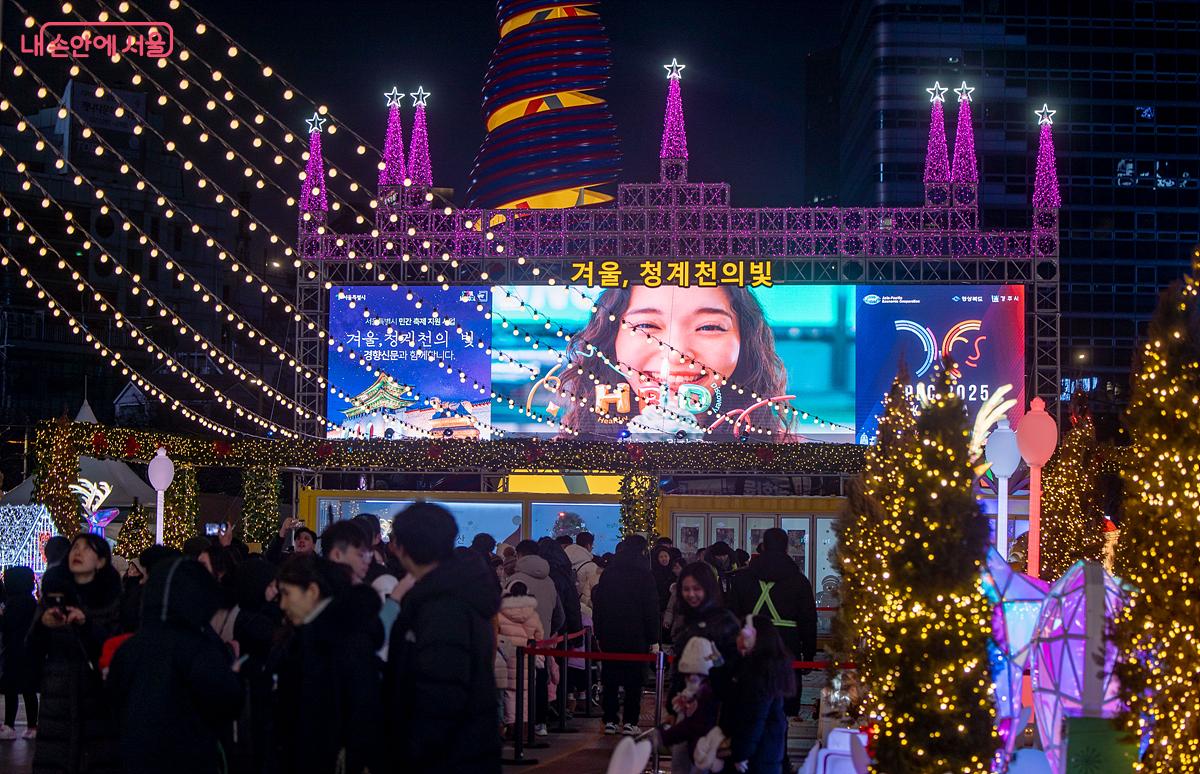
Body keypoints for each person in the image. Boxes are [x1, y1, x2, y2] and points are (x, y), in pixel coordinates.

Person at [557, 285, 794, 441]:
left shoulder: (784, 451)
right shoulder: (566, 451)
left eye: (709, 327)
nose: (676, 353)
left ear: (745, 341)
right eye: (646, 327)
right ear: (611, 338)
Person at [385, 502, 502, 773]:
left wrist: (411, 753)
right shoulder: (463, 590)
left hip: (444, 757)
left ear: (402, 547)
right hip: (470, 750)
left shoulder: (441, 606)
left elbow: (441, 692)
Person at [107, 557, 243, 774]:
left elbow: (113, 702)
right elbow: (226, 700)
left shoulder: (130, 648)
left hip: (134, 758)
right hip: (189, 758)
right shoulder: (199, 648)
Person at [271, 554, 383, 774]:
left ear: (312, 591)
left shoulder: (335, 641)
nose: (282, 604)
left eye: (287, 594)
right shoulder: (314, 635)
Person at [28, 533, 123, 773]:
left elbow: (115, 647)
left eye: (87, 549)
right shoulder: (54, 596)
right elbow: (31, 649)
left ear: (101, 561)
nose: (78, 552)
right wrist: (43, 625)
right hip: (58, 701)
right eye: (75, 547)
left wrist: (86, 624)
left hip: (98, 700)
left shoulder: (113, 600)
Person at [727, 527, 817, 717]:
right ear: (786, 548)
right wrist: (809, 654)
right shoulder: (799, 581)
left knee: (751, 703)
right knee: (783, 706)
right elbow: (808, 619)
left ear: (763, 547)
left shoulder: (742, 578)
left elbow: (732, 616)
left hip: (751, 643)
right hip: (787, 645)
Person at [591, 534, 659, 736]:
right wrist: (653, 638)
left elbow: (599, 605)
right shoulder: (644, 574)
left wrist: (599, 631)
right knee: (634, 681)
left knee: (610, 678)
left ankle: (610, 719)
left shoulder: (609, 572)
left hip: (611, 633)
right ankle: (630, 721)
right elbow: (651, 608)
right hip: (637, 635)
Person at [725, 616, 797, 774]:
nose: (737, 639)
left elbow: (753, 718)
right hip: (768, 751)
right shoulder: (769, 666)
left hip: (757, 755)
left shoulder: (756, 673)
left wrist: (741, 754)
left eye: (740, 635)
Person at [494, 581, 544, 736]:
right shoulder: (533, 614)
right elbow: (539, 637)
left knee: (509, 694)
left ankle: (511, 727)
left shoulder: (500, 612)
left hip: (508, 660)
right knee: (526, 693)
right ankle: (525, 727)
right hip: (527, 660)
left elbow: (496, 635)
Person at [1, 566, 39, 740]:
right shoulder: (30, 601)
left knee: (11, 690)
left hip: (13, 651)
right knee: (28, 690)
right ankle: (32, 725)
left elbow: (7, 625)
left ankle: (9, 725)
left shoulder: (14, 603)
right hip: (29, 652)